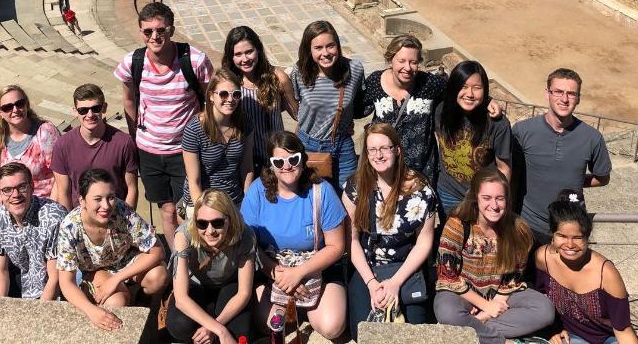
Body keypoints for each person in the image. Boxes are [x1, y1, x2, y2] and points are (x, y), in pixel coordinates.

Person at [114, 2, 213, 247]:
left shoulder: (195, 60)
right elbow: (128, 100)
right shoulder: (132, 63)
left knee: (186, 210)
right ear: (141, 32)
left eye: (161, 30)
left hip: (184, 151)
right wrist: (137, 135)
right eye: (148, 32)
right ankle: (177, 261)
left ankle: (193, 258)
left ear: (171, 30)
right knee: (166, 211)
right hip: (149, 151)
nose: (155, 37)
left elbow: (210, 101)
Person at [240, 131, 347, 340]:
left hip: (316, 268)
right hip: (273, 269)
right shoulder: (257, 192)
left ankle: (299, 306)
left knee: (332, 326)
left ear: (302, 158)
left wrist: (299, 273)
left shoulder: (321, 191)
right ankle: (289, 306)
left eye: (293, 159)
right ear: (271, 164)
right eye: (279, 161)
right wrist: (278, 275)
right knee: (267, 325)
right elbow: (248, 242)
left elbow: (336, 246)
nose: (286, 166)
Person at [434, 168, 555, 344]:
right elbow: (447, 275)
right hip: (463, 292)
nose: (494, 205)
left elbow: (514, 277)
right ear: (476, 198)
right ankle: (501, 341)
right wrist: (485, 305)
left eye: (500, 198)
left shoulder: (518, 229)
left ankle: (473, 329)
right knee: (446, 310)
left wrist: (489, 311)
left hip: (501, 294)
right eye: (487, 198)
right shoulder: (458, 224)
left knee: (544, 310)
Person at [342, 123, 437, 339]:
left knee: (411, 333)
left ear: (397, 150)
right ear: (366, 154)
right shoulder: (355, 188)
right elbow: (352, 241)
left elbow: (423, 242)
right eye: (372, 150)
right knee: (364, 333)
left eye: (385, 148)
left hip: (406, 266)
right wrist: (372, 283)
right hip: (369, 267)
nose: (379, 155)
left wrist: (395, 283)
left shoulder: (421, 190)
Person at [57, 168, 169, 330]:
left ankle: (143, 302)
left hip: (126, 261)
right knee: (117, 302)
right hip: (96, 269)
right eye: (97, 199)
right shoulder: (70, 227)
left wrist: (116, 279)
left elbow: (157, 251)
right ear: (82, 200)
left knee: (158, 276)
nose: (106, 206)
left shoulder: (122, 211)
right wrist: (92, 312)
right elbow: (66, 282)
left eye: (110, 197)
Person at [513, 69, 612, 246]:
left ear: (579, 98)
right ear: (547, 94)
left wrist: (573, 180)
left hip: (570, 234)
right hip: (527, 228)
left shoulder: (592, 138)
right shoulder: (522, 131)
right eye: (558, 92)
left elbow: (603, 178)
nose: (564, 99)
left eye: (571, 94)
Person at [535, 191, 638, 344]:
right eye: (562, 236)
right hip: (569, 336)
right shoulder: (543, 257)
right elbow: (540, 298)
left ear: (587, 237)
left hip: (608, 338)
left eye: (577, 237)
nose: (569, 245)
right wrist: (551, 329)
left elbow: (623, 330)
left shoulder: (606, 273)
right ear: (552, 234)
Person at [166, 189, 256, 344]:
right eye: (202, 223)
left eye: (218, 223)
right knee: (179, 326)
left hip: (229, 284)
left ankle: (210, 320)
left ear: (230, 219)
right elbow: (181, 298)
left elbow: (243, 293)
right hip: (196, 284)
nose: (210, 231)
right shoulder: (183, 235)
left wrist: (213, 327)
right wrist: (220, 330)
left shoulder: (245, 234)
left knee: (239, 333)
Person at [358, 34, 445, 185]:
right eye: (401, 61)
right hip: (383, 169)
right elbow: (357, 109)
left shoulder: (428, 83)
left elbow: (459, 89)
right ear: (390, 60)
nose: (407, 68)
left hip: (420, 173)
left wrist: (488, 102)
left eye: (413, 62)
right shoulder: (375, 82)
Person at [290, 20, 365, 189]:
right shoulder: (299, 73)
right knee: (311, 197)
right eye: (318, 48)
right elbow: (297, 105)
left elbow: (359, 103)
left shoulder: (354, 69)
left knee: (350, 194)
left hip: (342, 146)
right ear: (309, 50)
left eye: (330, 46)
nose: (325, 53)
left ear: (337, 45)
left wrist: (347, 120)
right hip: (308, 145)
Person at [434, 60, 512, 216]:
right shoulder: (441, 110)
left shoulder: (497, 123)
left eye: (477, 88)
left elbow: (504, 168)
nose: (469, 94)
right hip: (447, 193)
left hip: (482, 198)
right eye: (463, 87)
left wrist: (497, 199)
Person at [220, 26, 298, 172]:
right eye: (238, 54)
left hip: (275, 161)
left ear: (258, 50)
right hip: (243, 163)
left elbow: (298, 114)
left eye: (249, 52)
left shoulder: (277, 78)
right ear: (231, 57)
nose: (245, 59)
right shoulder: (229, 83)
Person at [51, 84, 138, 210]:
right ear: (74, 111)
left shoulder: (124, 142)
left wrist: (125, 221)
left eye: (96, 108)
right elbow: (63, 192)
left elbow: (132, 188)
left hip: (114, 215)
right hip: (80, 218)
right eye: (83, 110)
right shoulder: (62, 145)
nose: (90, 114)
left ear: (104, 107)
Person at [0, 162, 67, 300]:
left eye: (22, 187)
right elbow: (0, 270)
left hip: (59, 289)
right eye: (7, 190)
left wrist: (36, 315)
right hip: (24, 282)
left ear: (32, 187)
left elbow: (56, 278)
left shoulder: (53, 217)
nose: (15, 195)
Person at [181, 69, 255, 214]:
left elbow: (247, 167)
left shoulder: (245, 123)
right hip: (202, 200)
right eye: (223, 94)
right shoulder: (194, 129)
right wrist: (203, 212)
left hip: (234, 199)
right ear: (211, 96)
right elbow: (194, 181)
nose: (230, 99)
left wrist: (248, 201)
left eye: (236, 94)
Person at [0, 85, 59, 215]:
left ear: (26, 104)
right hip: (3, 219)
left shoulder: (45, 132)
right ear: (0, 113)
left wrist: (52, 212)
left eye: (19, 103)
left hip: (39, 214)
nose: (15, 109)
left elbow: (61, 177)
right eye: (8, 107)